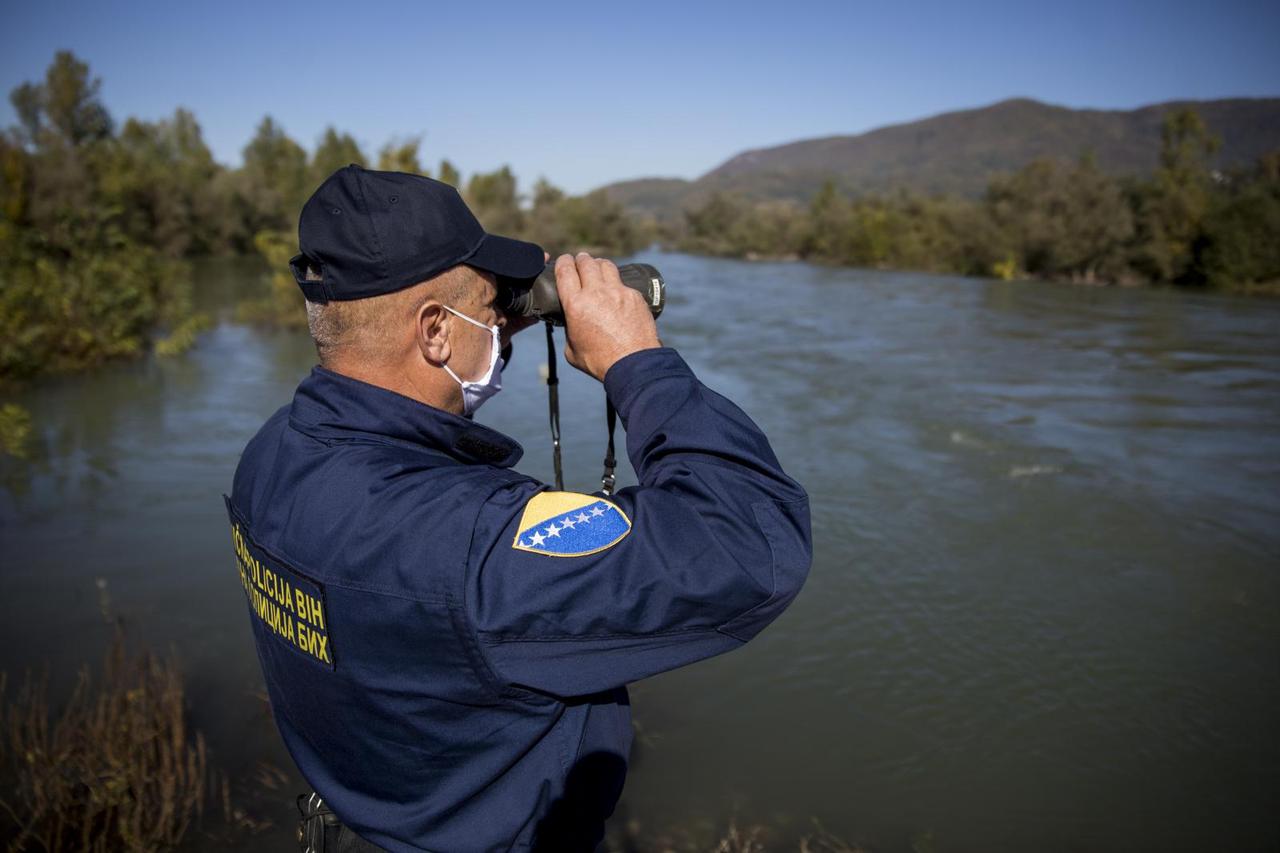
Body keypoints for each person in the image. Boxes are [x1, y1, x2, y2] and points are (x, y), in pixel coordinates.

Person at [226, 165, 812, 853]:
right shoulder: (475, 546)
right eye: (488, 304)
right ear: (435, 331)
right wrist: (636, 361)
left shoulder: (270, 457)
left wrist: (495, 317)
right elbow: (751, 541)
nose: (504, 319)